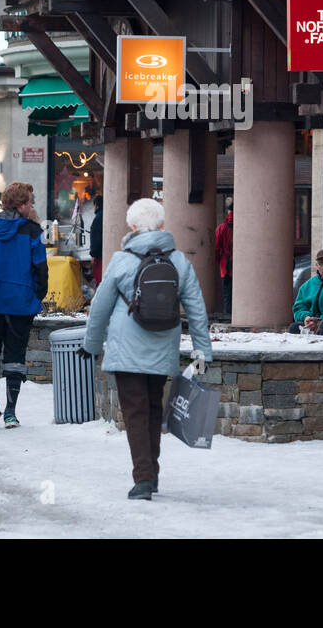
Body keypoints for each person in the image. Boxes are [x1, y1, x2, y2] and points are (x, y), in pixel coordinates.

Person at [80, 197, 212, 500]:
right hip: (163, 346)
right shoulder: (179, 261)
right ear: (163, 226)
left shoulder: (121, 260)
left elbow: (99, 307)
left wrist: (90, 345)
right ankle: (150, 473)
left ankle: (143, 479)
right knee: (153, 410)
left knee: (136, 413)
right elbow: (196, 310)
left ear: (131, 226)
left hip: (126, 350)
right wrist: (202, 353)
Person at [0, 181, 47, 428]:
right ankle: (10, 412)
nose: (32, 205)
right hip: (20, 302)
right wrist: (39, 295)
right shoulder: (32, 230)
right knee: (15, 355)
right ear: (21, 205)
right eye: (30, 201)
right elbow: (40, 268)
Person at [215, 205, 233, 316]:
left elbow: (217, 248)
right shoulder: (244, 225)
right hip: (241, 266)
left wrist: (219, 261)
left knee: (227, 291)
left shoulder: (221, 228)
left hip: (225, 265)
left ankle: (228, 314)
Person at [89, 195, 104, 285]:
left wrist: (93, 254)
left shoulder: (98, 218)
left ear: (96, 205)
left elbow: (96, 238)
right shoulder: (105, 215)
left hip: (99, 256)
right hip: (103, 253)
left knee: (99, 280)